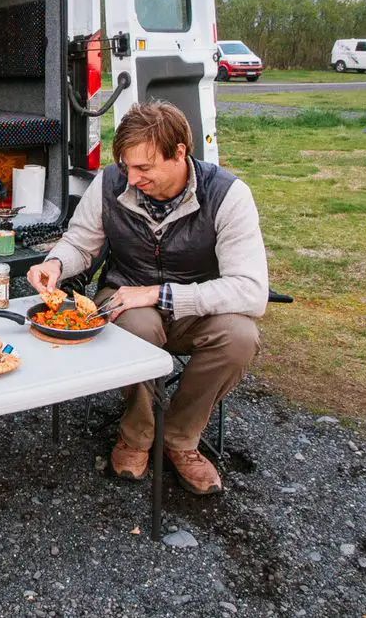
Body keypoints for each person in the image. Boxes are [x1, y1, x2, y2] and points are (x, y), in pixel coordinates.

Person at [27, 101, 268, 494]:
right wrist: (55, 264)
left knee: (240, 337)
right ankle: (137, 435)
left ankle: (180, 438)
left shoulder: (228, 195)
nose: (133, 178)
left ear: (179, 153)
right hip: (125, 296)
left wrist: (162, 294)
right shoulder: (109, 183)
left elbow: (252, 290)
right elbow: (80, 244)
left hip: (197, 305)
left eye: (145, 168)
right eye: (127, 166)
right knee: (135, 326)